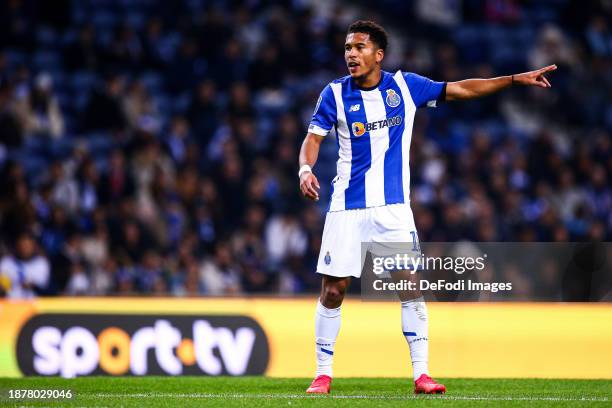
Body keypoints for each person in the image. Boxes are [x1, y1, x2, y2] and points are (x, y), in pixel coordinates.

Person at [298, 20, 556, 395]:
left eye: (359, 47)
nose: (351, 54)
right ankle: (323, 374)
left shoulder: (405, 86)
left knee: (410, 286)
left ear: (378, 54)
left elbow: (463, 88)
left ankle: (422, 374)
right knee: (334, 290)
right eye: (347, 48)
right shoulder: (334, 94)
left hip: (393, 209)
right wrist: (305, 169)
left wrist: (514, 79)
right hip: (347, 207)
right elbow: (312, 139)